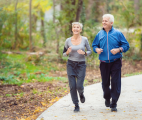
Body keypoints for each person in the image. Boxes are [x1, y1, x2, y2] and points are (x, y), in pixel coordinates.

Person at [92, 14, 130, 112]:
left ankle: (114, 103)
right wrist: (97, 49)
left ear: (111, 23)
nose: (103, 22)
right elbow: (94, 45)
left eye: (106, 21)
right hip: (104, 62)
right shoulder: (99, 34)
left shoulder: (118, 33)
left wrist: (119, 49)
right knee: (105, 83)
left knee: (115, 82)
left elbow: (126, 45)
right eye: (103, 20)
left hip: (115, 62)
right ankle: (107, 97)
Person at [63, 22, 92, 112]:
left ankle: (81, 93)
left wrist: (85, 53)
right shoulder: (68, 40)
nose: (76, 29)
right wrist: (67, 52)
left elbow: (90, 51)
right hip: (71, 64)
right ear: (72, 29)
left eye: (78, 27)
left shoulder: (84, 39)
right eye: (74, 27)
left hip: (81, 65)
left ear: (80, 30)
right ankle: (76, 105)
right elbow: (64, 54)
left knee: (79, 86)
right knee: (72, 86)